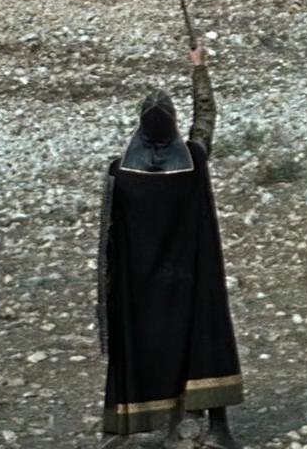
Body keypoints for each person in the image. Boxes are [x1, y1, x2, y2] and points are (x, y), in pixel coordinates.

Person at [99, 43, 243, 449]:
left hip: (142, 287)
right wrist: (200, 70)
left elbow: (111, 241)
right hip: (190, 278)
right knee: (205, 339)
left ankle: (128, 425)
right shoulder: (193, 161)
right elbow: (206, 118)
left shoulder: (122, 174)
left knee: (143, 345)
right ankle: (216, 428)